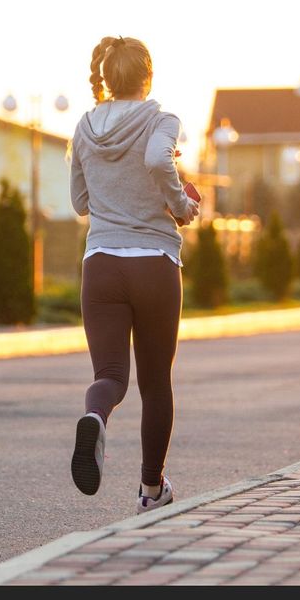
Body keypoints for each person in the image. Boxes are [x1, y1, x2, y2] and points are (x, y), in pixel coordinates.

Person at [67, 35, 199, 514]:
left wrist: (110, 190)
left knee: (110, 376)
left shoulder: (84, 126)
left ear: (105, 78)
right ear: (148, 76)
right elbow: (156, 159)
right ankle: (150, 491)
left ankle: (96, 416)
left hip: (101, 264)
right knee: (156, 382)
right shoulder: (162, 120)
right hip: (154, 264)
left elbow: (80, 203)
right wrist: (180, 204)